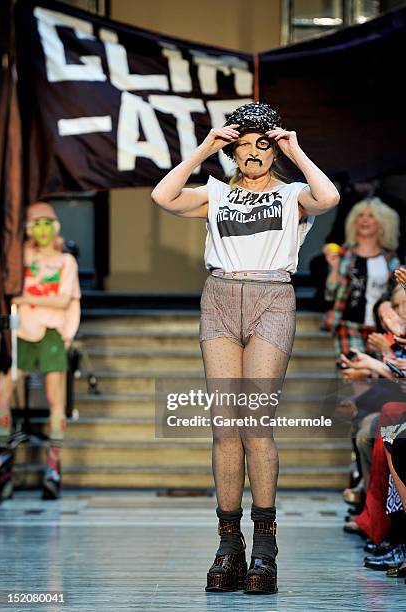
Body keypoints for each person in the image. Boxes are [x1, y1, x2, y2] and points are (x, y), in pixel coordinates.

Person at [151, 101, 339, 594]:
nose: (251, 150)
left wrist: (294, 150)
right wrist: (204, 149)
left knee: (256, 421)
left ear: (271, 146)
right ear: (232, 149)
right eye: (242, 142)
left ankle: (266, 545)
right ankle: (228, 543)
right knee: (225, 426)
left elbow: (329, 195)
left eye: (261, 141)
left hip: (271, 296)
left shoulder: (293, 192)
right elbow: (163, 196)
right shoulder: (214, 192)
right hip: (219, 296)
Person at [0, 202, 81, 501]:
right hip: (21, 332)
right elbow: (10, 293)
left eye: (48, 223)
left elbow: (63, 300)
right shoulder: (20, 257)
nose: (42, 230)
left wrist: (24, 298)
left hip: (51, 334)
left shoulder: (65, 262)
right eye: (37, 224)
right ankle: (4, 462)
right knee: (3, 392)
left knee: (55, 399)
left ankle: (53, 467)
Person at [324, 198, 400, 364]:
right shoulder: (344, 255)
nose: (364, 219)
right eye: (360, 216)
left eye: (371, 216)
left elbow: (397, 297)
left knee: (382, 375)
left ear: (382, 224)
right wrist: (335, 267)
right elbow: (330, 294)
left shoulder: (390, 260)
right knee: (357, 375)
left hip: (381, 328)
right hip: (348, 325)